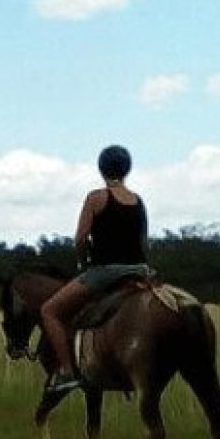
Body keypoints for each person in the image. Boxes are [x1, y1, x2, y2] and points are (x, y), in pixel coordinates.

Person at [41, 145, 152, 396]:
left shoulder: (96, 198)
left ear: (101, 169)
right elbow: (144, 242)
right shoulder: (138, 201)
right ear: (127, 169)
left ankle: (68, 371)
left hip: (106, 272)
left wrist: (82, 263)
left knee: (49, 311)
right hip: (139, 270)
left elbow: (80, 239)